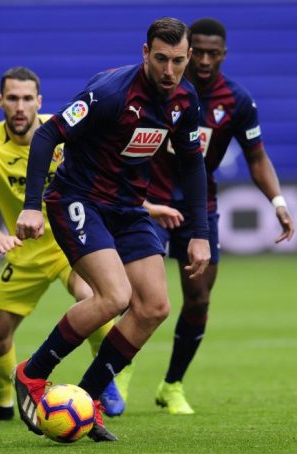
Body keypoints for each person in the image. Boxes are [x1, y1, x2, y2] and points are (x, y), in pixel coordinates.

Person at [13, 17, 211, 442]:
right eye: (161, 59)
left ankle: (87, 399)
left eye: (178, 60)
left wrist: (200, 233)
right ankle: (32, 373)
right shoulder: (111, 93)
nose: (169, 70)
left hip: (128, 208)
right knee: (114, 297)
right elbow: (47, 135)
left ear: (189, 57)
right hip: (78, 199)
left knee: (154, 307)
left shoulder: (185, 99)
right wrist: (30, 207)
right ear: (145, 53)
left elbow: (193, 163)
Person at [126, 17, 294, 415]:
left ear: (223, 55)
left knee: (199, 298)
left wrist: (278, 202)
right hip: (147, 201)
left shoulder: (236, 101)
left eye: (212, 53)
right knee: (135, 295)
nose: (203, 60)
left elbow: (256, 158)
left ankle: (172, 384)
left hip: (199, 207)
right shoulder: (158, 89)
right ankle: (119, 374)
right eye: (197, 52)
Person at [0, 67, 123, 423]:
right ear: (0, 101)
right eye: (12, 98)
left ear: (39, 102)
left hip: (68, 243)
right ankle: (2, 406)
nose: (20, 106)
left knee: (94, 297)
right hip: (23, 252)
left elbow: (103, 172)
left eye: (27, 98)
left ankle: (103, 380)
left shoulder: (61, 132)